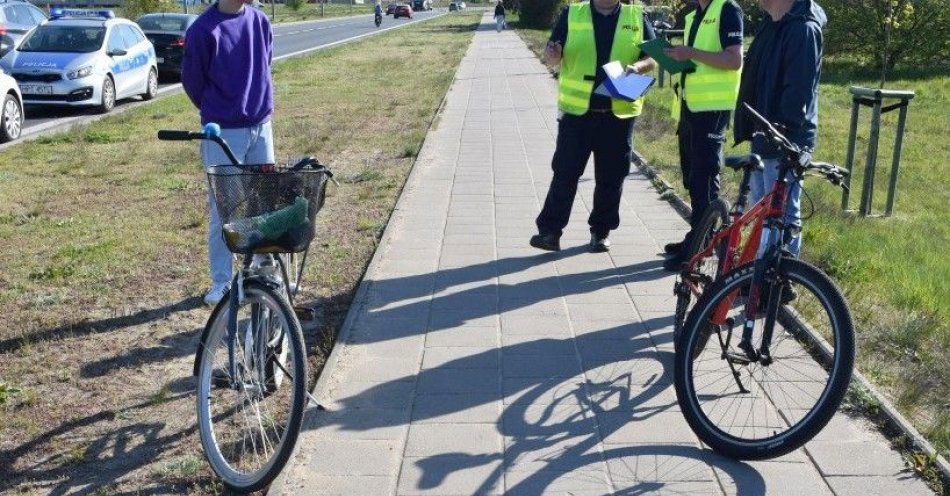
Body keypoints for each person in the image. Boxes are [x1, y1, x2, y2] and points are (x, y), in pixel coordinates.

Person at [530, 0, 657, 253]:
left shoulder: (635, 16)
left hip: (618, 113)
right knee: (565, 172)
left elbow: (653, 57)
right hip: (578, 113)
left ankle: (601, 232)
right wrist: (553, 55)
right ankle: (549, 232)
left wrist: (638, 67)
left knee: (611, 176)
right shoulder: (572, 13)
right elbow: (552, 53)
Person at [182, 0, 275, 305]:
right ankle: (221, 282)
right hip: (223, 131)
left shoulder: (260, 22)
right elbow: (193, 83)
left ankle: (263, 271)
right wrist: (219, 110)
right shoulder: (203, 30)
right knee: (225, 209)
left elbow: (267, 62)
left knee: (264, 204)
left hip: (261, 126)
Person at [734, 0, 826, 258]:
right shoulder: (770, 23)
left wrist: (781, 134)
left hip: (785, 140)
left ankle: (778, 283)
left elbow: (799, 92)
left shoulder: (803, 29)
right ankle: (757, 280)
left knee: (782, 215)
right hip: (762, 133)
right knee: (761, 213)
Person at [660, 0, 743, 271]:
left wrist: (691, 53)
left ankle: (699, 251)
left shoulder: (728, 9)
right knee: (693, 178)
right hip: (690, 107)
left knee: (705, 179)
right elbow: (694, 60)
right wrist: (674, 57)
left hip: (712, 109)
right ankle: (696, 238)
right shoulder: (694, 14)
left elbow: (733, 59)